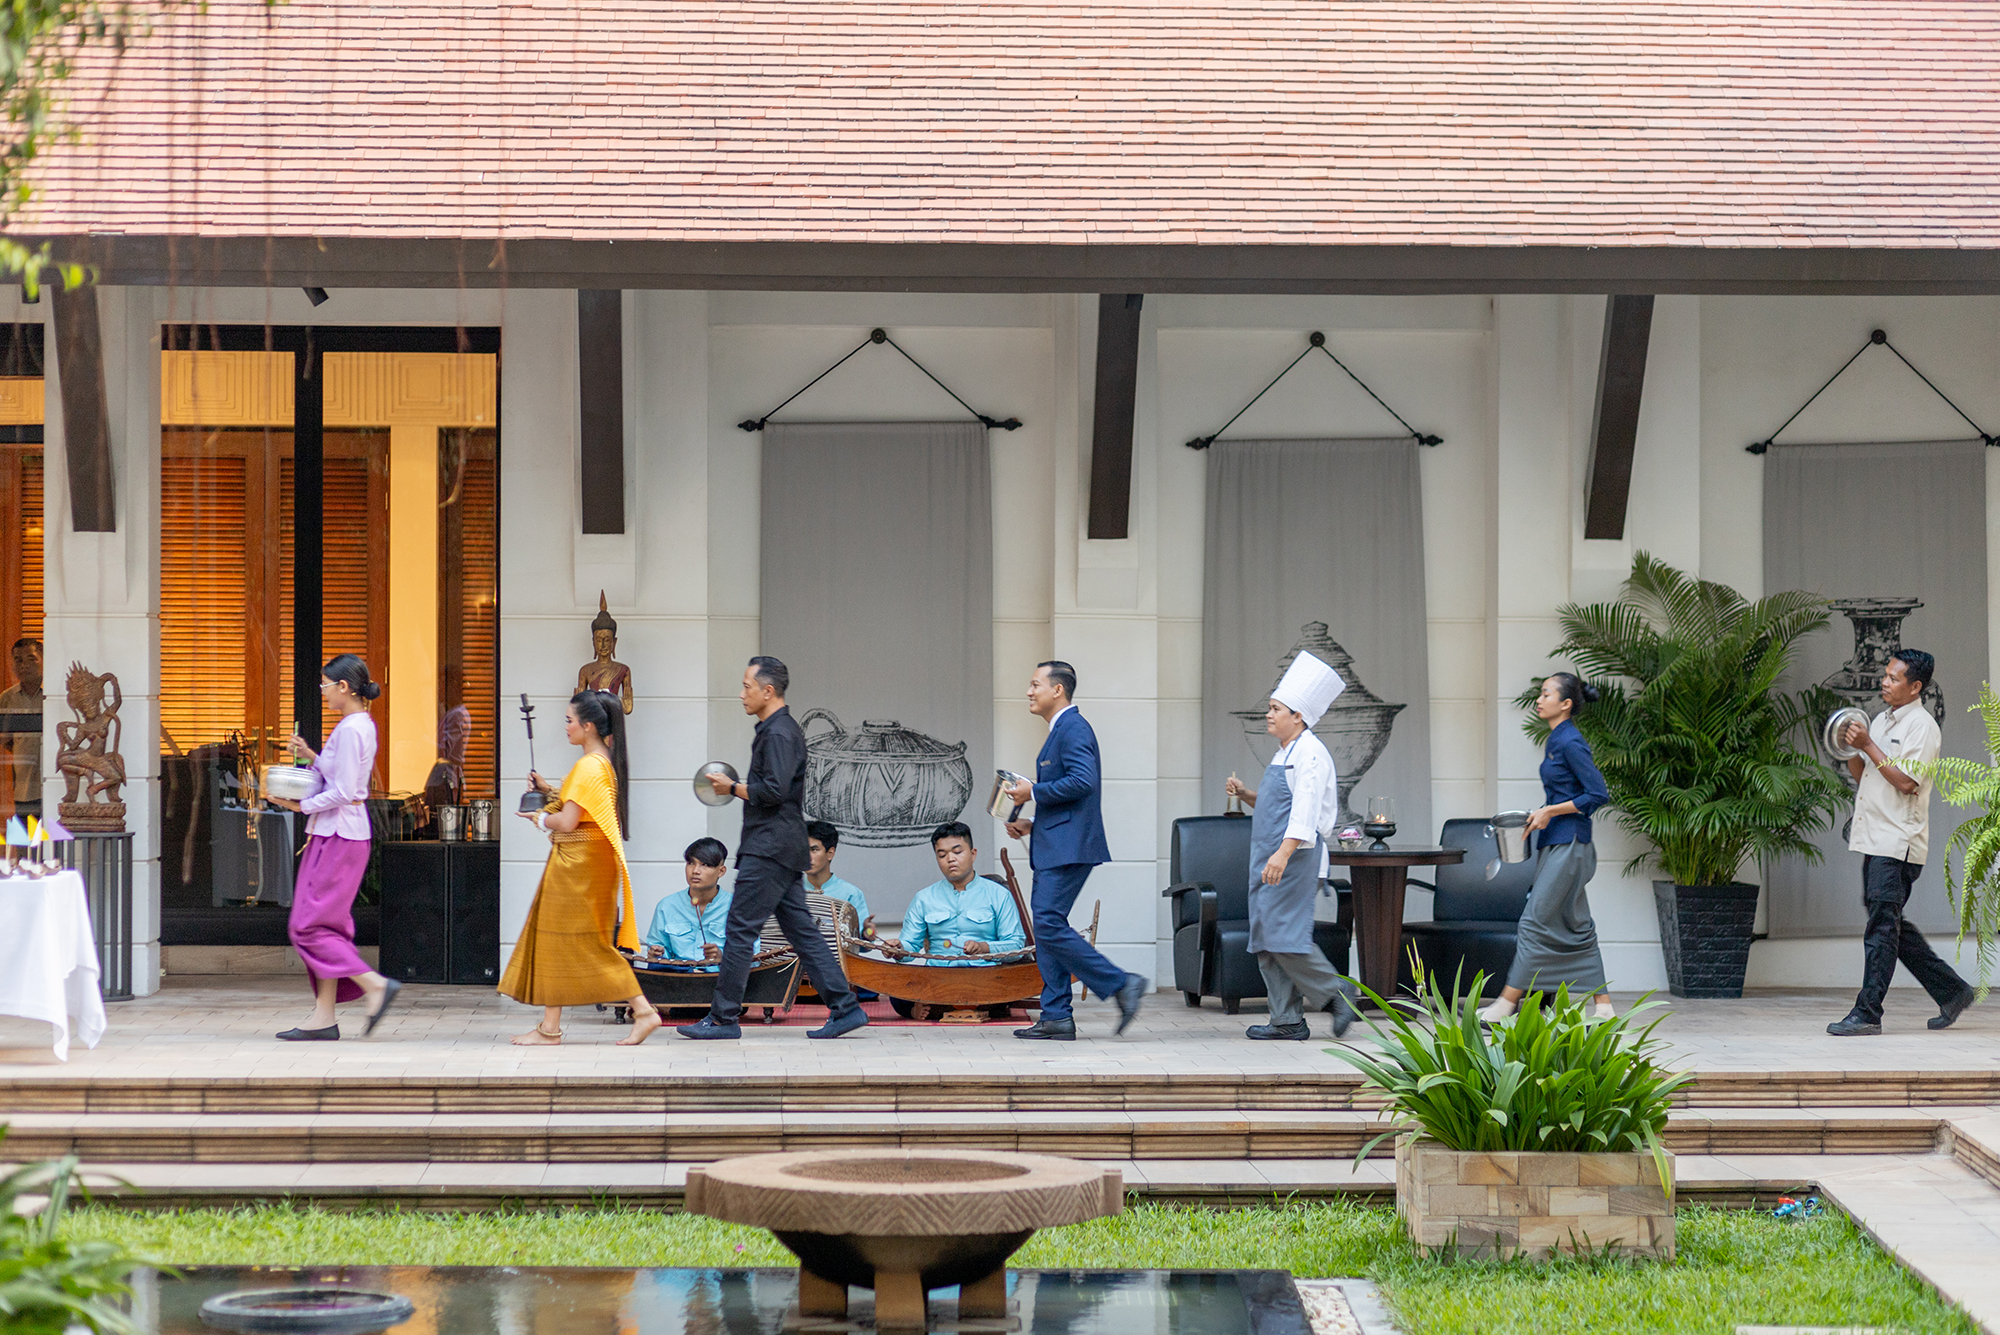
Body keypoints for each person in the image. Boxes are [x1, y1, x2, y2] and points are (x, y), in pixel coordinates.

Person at [679, 656, 868, 1040]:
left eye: (747, 686)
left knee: (739, 930)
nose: (742, 693)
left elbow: (775, 791)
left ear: (768, 691)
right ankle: (846, 1008)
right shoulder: (775, 729)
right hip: (778, 847)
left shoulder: (780, 733)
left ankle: (722, 1019)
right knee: (802, 932)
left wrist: (731, 788)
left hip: (769, 848)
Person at [498, 689, 663, 1046]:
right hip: (586, 863)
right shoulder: (601, 761)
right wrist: (548, 790)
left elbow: (569, 821)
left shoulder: (589, 765)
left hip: (577, 865)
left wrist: (540, 817)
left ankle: (644, 1010)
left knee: (588, 943)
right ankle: (550, 1027)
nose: (566, 727)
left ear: (588, 726)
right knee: (558, 939)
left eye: (570, 721)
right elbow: (580, 808)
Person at [1827, 649, 1977, 1036]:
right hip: (1875, 837)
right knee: (1887, 921)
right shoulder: (1879, 719)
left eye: (1894, 678)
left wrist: (1870, 745)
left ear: (1916, 687)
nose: (1884, 682)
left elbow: (1908, 782)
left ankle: (1867, 1014)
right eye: (1886, 675)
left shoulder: (1923, 727)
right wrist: (1852, 747)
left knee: (1881, 926)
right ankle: (1953, 990)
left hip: (1898, 842)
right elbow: (1867, 775)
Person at [1004, 661, 1147, 1040]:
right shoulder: (1062, 730)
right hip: (1057, 843)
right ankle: (1056, 1016)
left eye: (1035, 684)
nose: (1029, 691)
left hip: (1068, 848)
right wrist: (1032, 822)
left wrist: (1031, 792)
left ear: (1058, 690)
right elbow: (1071, 792)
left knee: (1048, 923)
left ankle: (1121, 983)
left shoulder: (1072, 727)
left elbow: (1084, 781)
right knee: (1049, 927)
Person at [1223, 651, 1359, 1041]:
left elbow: (1304, 812)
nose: (1268, 714)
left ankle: (1338, 993)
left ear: (1297, 716)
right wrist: (1248, 793)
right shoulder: (1286, 752)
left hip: (1294, 858)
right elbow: (1275, 806)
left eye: (1275, 708)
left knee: (1283, 935)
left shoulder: (1312, 753)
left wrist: (1282, 855)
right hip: (1270, 857)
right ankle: (1286, 1020)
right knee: (1267, 939)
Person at [266, 654, 399, 1041]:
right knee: (326, 927)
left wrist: (299, 805)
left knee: (306, 926)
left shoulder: (352, 728)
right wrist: (311, 756)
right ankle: (324, 1016)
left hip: (338, 836)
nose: (322, 691)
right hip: (337, 834)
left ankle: (375, 984)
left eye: (326, 684)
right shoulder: (359, 725)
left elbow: (343, 790)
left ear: (344, 687)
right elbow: (343, 776)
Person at [1478, 673, 1615, 1024]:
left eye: (1545, 694)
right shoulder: (1557, 739)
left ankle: (1507, 1002)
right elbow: (1563, 794)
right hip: (1558, 841)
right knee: (1577, 923)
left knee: (1534, 921)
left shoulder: (1570, 741)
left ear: (1565, 703)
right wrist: (1540, 815)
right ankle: (1604, 1006)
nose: (1538, 700)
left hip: (1571, 845)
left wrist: (1550, 811)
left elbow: (1597, 794)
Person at [895, 822, 1027, 966]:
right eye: (942, 855)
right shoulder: (923, 898)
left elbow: (1016, 946)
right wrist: (897, 949)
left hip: (987, 980)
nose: (950, 859)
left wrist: (984, 948)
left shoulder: (999, 895)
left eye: (957, 852)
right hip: (937, 980)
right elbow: (909, 945)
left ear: (973, 854)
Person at [642, 838, 734, 972]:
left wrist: (722, 958)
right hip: (678, 984)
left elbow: (752, 960)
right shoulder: (667, 906)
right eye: (691, 863)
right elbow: (658, 952)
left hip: (720, 984)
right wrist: (657, 953)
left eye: (706, 865)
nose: (695, 870)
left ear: (721, 871)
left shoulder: (736, 908)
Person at [806, 820, 874, 938]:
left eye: (814, 850)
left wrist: (866, 934)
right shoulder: (788, 892)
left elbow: (862, 943)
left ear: (830, 853)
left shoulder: (851, 894)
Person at [0, 637, 43, 820]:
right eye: (18, 660)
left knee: (55, 840)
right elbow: (5, 740)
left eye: (31, 659)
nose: (24, 665)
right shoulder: (8, 698)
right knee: (27, 840)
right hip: (25, 786)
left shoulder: (56, 695)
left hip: (57, 783)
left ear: (43, 660)